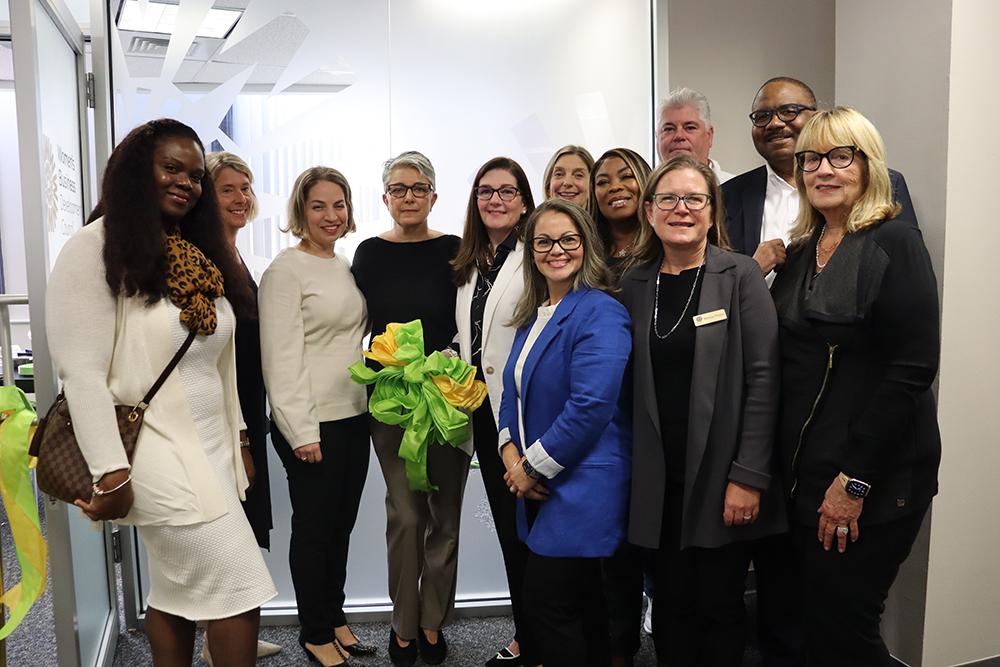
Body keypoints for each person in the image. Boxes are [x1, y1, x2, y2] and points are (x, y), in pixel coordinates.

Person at [46, 118, 276, 667]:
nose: (186, 183)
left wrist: (241, 434)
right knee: (241, 593)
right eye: (171, 167)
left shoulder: (194, 250)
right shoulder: (95, 247)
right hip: (153, 455)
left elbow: (219, 360)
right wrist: (111, 473)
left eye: (195, 175)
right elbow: (80, 373)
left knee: (175, 591)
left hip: (211, 449)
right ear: (133, 172)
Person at [771, 107, 940, 667]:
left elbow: (912, 369)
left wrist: (855, 481)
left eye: (841, 156)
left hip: (873, 473)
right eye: (811, 159)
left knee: (847, 631)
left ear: (869, 166)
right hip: (808, 472)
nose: (823, 169)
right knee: (820, 626)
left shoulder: (894, 242)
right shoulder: (802, 252)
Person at [620, 155, 785, 666]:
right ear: (650, 212)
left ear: (713, 212)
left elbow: (764, 378)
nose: (681, 209)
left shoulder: (739, 276)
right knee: (670, 603)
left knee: (718, 605)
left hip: (720, 477)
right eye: (668, 199)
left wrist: (749, 477)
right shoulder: (634, 283)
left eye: (694, 199)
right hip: (656, 477)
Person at [499, 198, 632, 667]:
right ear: (531, 251)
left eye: (568, 239)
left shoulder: (601, 311)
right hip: (540, 481)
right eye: (544, 241)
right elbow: (509, 393)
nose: (556, 250)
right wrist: (510, 453)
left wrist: (529, 467)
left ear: (585, 245)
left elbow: (591, 406)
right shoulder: (534, 314)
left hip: (583, 487)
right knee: (579, 609)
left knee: (548, 607)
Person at [259, 166, 375, 666]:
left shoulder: (342, 264)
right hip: (310, 423)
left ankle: (336, 617)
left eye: (339, 205)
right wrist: (301, 431)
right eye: (319, 206)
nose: (331, 216)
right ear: (300, 212)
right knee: (313, 529)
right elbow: (280, 360)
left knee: (340, 526)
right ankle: (313, 631)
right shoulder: (286, 271)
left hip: (353, 414)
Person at [351, 151, 463, 667]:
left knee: (446, 515)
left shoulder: (457, 251)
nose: (409, 197)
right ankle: (402, 622)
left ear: (434, 196)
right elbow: (357, 329)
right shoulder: (369, 254)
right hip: (392, 402)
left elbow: (469, 323)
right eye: (399, 189)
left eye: (419, 188)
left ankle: (433, 621)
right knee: (404, 514)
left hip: (447, 396)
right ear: (385, 198)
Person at [452, 157, 538, 666]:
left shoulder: (534, 254)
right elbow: (471, 337)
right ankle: (526, 633)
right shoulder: (471, 262)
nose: (496, 200)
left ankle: (542, 637)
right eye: (486, 191)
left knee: (534, 530)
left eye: (507, 191)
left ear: (524, 201)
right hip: (484, 415)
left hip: (528, 412)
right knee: (510, 530)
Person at [723, 77, 918, 284]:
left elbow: (905, 278)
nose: (775, 123)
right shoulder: (726, 195)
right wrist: (752, 270)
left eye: (789, 111)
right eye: (762, 116)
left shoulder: (887, 185)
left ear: (815, 117)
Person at [203, 151, 280, 664]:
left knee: (243, 533)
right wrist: (241, 441)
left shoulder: (232, 252)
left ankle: (231, 639)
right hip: (225, 422)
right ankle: (222, 645)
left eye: (245, 188)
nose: (240, 198)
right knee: (228, 537)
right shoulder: (204, 257)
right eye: (227, 188)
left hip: (248, 410)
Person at [590, 147, 653, 278]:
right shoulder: (586, 253)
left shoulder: (665, 249)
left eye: (626, 177)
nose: (615, 187)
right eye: (603, 182)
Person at [655, 87, 734, 183]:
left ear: (709, 136)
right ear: (657, 137)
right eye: (669, 129)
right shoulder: (643, 192)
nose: (679, 136)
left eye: (690, 128)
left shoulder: (737, 190)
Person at [541, 144, 595, 211]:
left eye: (578, 175)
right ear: (548, 186)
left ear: (592, 185)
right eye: (559, 174)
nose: (567, 182)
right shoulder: (535, 221)